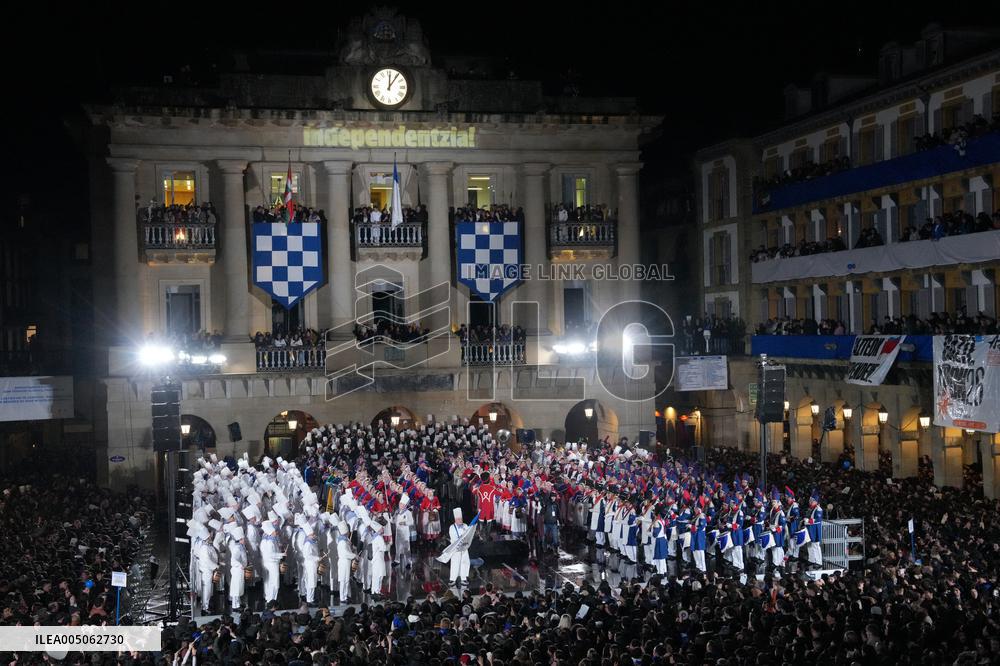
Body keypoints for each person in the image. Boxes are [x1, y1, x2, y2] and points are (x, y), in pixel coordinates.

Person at [446, 507, 473, 586]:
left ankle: (464, 578)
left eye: (461, 519)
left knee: (464, 562)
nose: (460, 521)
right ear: (455, 520)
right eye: (459, 519)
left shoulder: (465, 525)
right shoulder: (452, 527)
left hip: (464, 548)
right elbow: (453, 537)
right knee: (455, 562)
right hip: (456, 548)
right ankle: (452, 579)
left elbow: (468, 534)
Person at [259, 520, 282, 604]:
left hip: (268, 563)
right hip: (272, 564)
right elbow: (271, 555)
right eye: (274, 531)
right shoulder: (270, 542)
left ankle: (269, 597)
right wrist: (281, 555)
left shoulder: (266, 541)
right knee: (274, 582)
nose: (276, 532)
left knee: (269, 581)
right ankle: (273, 599)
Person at [335, 520, 355, 603]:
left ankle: (345, 595)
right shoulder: (342, 542)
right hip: (344, 562)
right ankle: (342, 597)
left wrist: (352, 547)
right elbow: (345, 553)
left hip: (347, 562)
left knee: (346, 580)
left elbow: (349, 550)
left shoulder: (346, 540)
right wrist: (354, 555)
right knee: (343, 580)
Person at [393, 493, 414, 566]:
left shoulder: (408, 512)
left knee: (406, 548)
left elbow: (411, 522)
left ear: (405, 505)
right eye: (400, 504)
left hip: (405, 533)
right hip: (398, 532)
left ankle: (408, 562)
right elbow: (394, 520)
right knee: (397, 546)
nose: (400, 505)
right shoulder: (397, 511)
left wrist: (404, 523)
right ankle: (397, 560)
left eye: (402, 504)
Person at [804, 491, 824, 569]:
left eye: (811, 501)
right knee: (810, 544)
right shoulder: (812, 508)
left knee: (816, 546)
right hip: (810, 529)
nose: (810, 502)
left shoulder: (818, 509)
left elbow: (817, 520)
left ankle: (819, 562)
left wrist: (807, 521)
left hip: (815, 530)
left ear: (815, 501)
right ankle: (811, 559)